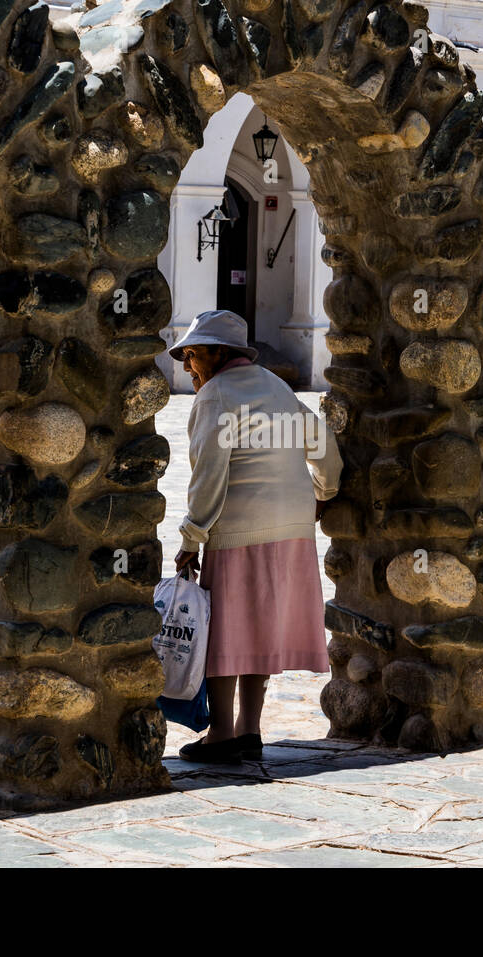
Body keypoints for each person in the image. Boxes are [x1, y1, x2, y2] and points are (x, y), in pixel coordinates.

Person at [169, 309, 342, 763]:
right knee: (260, 629)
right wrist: (325, 491)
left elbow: (210, 475)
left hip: (239, 528)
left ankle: (223, 734)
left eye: (191, 355)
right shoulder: (277, 386)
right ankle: (250, 729)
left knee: (227, 631)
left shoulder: (215, 397)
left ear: (216, 353)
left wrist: (192, 536)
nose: (187, 367)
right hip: (292, 528)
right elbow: (322, 444)